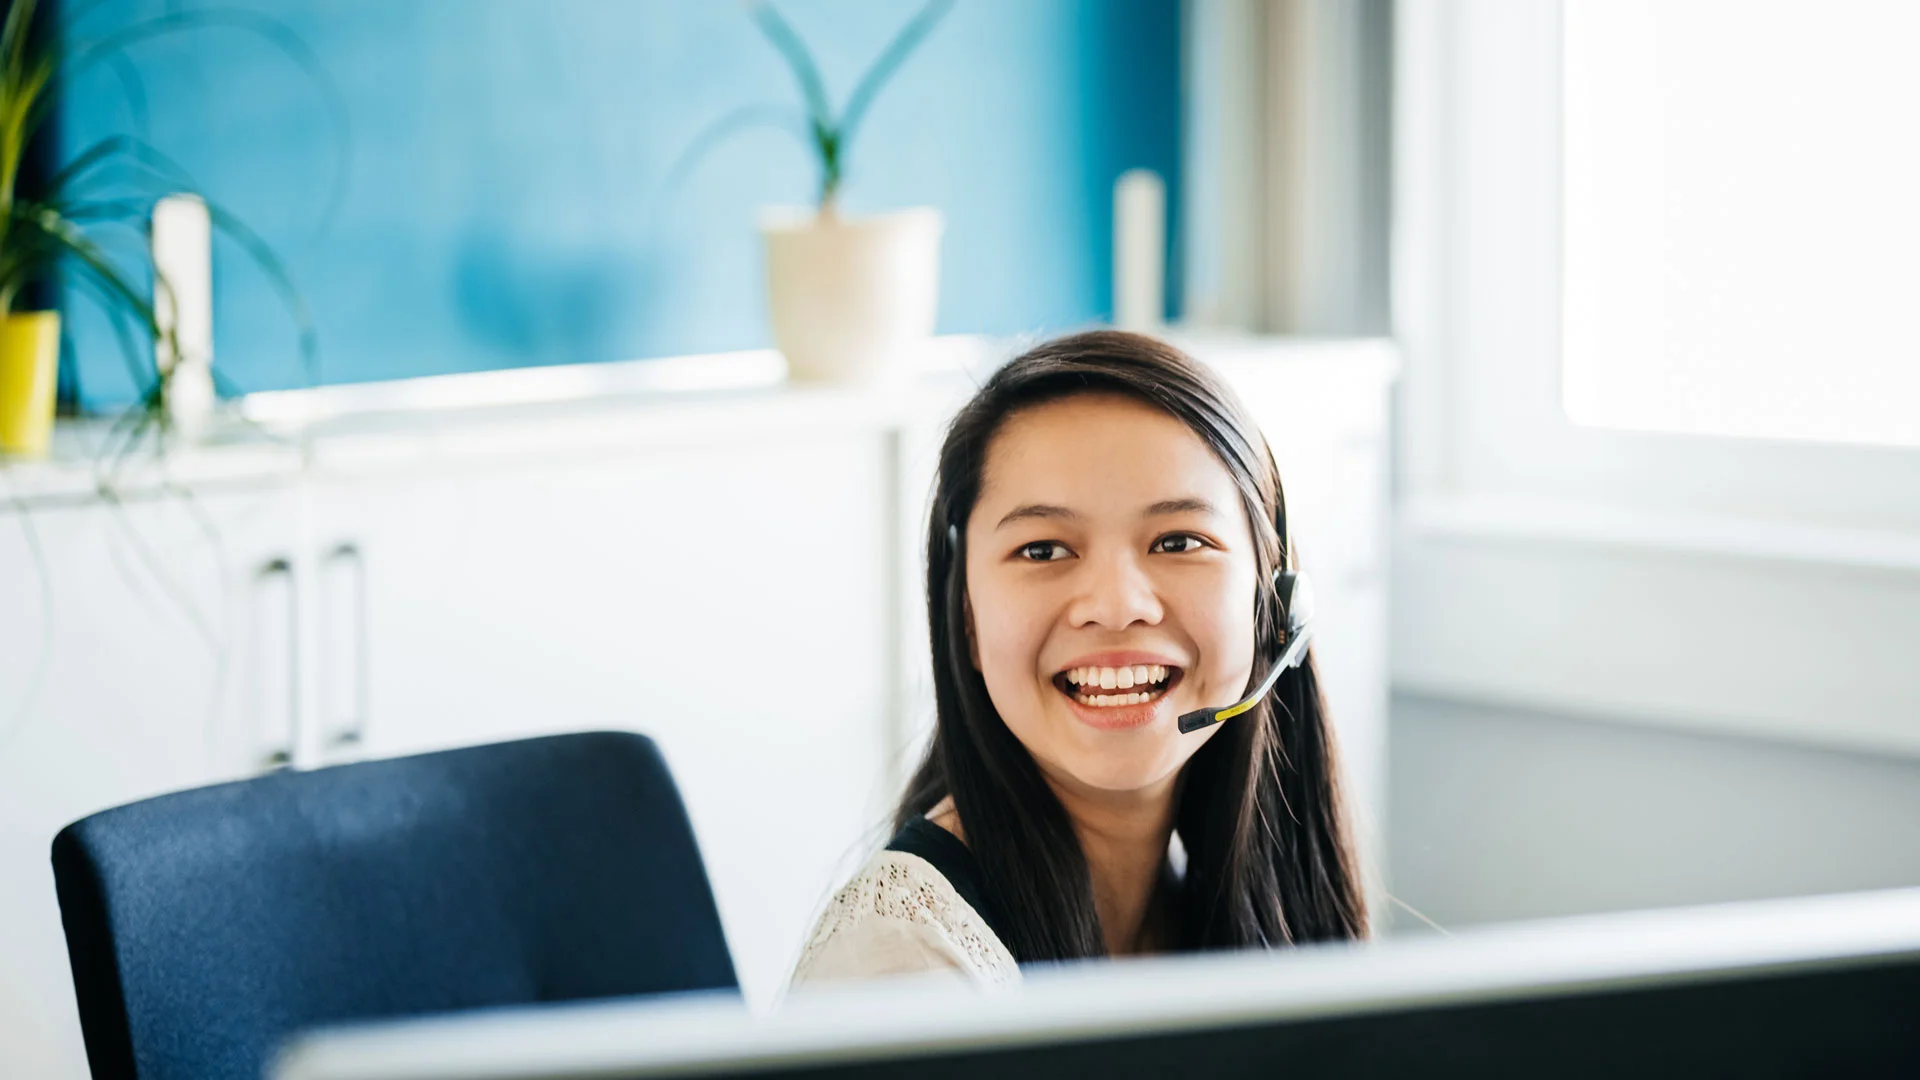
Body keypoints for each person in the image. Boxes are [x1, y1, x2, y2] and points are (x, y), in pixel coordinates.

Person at [790, 330, 1371, 987]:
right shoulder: (906, 966)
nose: (1117, 607)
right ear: (966, 620)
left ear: (1276, 604)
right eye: (1042, 550)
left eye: (1178, 541)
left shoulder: (1218, 914)